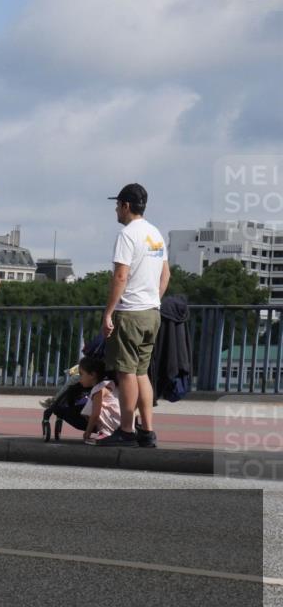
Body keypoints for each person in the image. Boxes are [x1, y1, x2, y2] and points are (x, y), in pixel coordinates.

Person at [97, 183, 170, 448]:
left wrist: (109, 312)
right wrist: (154, 300)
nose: (116, 209)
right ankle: (147, 431)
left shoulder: (127, 235)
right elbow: (166, 275)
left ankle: (126, 431)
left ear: (126, 206)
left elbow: (120, 275)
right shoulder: (155, 234)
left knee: (125, 372)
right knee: (141, 373)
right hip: (152, 312)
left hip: (130, 313)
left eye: (118, 205)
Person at [76, 357, 121, 444]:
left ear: (92, 375)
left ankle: (106, 432)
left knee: (90, 408)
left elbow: (95, 414)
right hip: (120, 420)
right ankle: (106, 432)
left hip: (115, 422)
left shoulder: (98, 390)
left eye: (81, 374)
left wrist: (87, 432)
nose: (79, 378)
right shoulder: (106, 384)